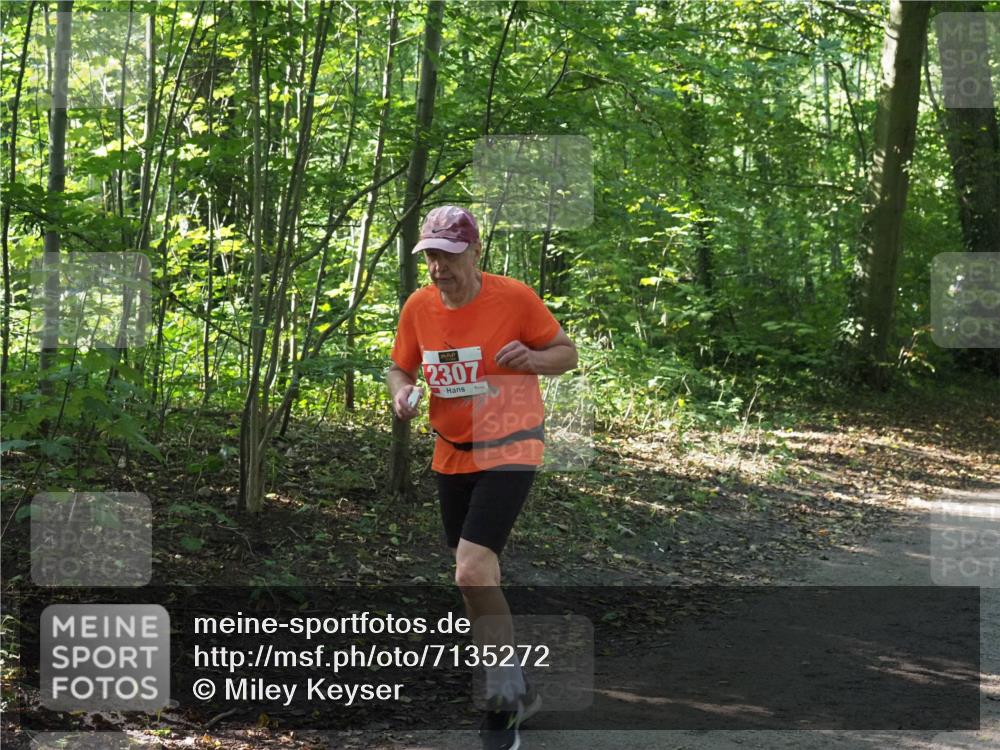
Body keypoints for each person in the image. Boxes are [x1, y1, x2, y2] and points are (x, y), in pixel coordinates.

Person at [388, 205, 578, 750]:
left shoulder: (513, 297)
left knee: (470, 573)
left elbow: (566, 353)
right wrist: (400, 393)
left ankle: (500, 705)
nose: (438, 268)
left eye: (448, 256)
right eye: (429, 256)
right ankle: (515, 683)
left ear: (474, 252)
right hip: (451, 451)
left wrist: (532, 359)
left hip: (510, 443)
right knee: (477, 579)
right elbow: (401, 366)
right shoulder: (419, 307)